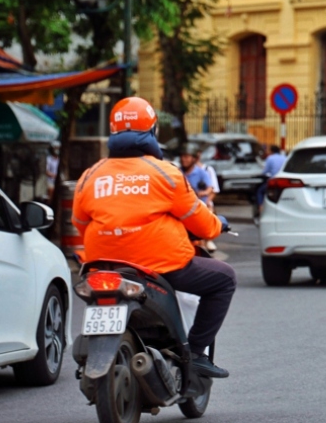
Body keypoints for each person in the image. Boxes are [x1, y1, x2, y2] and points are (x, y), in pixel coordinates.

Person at [72, 97, 234, 379]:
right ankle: (195, 353)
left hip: (102, 267)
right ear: (153, 131)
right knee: (224, 279)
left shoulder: (90, 176)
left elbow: (80, 224)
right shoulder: (166, 174)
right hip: (160, 267)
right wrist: (219, 224)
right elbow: (202, 224)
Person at [180, 143, 220, 252]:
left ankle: (207, 238)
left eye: (187, 157)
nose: (184, 160)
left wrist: (204, 193)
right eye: (182, 156)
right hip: (182, 206)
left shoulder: (202, 172)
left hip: (199, 205)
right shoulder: (178, 172)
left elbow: (210, 188)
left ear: (193, 159)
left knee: (208, 212)